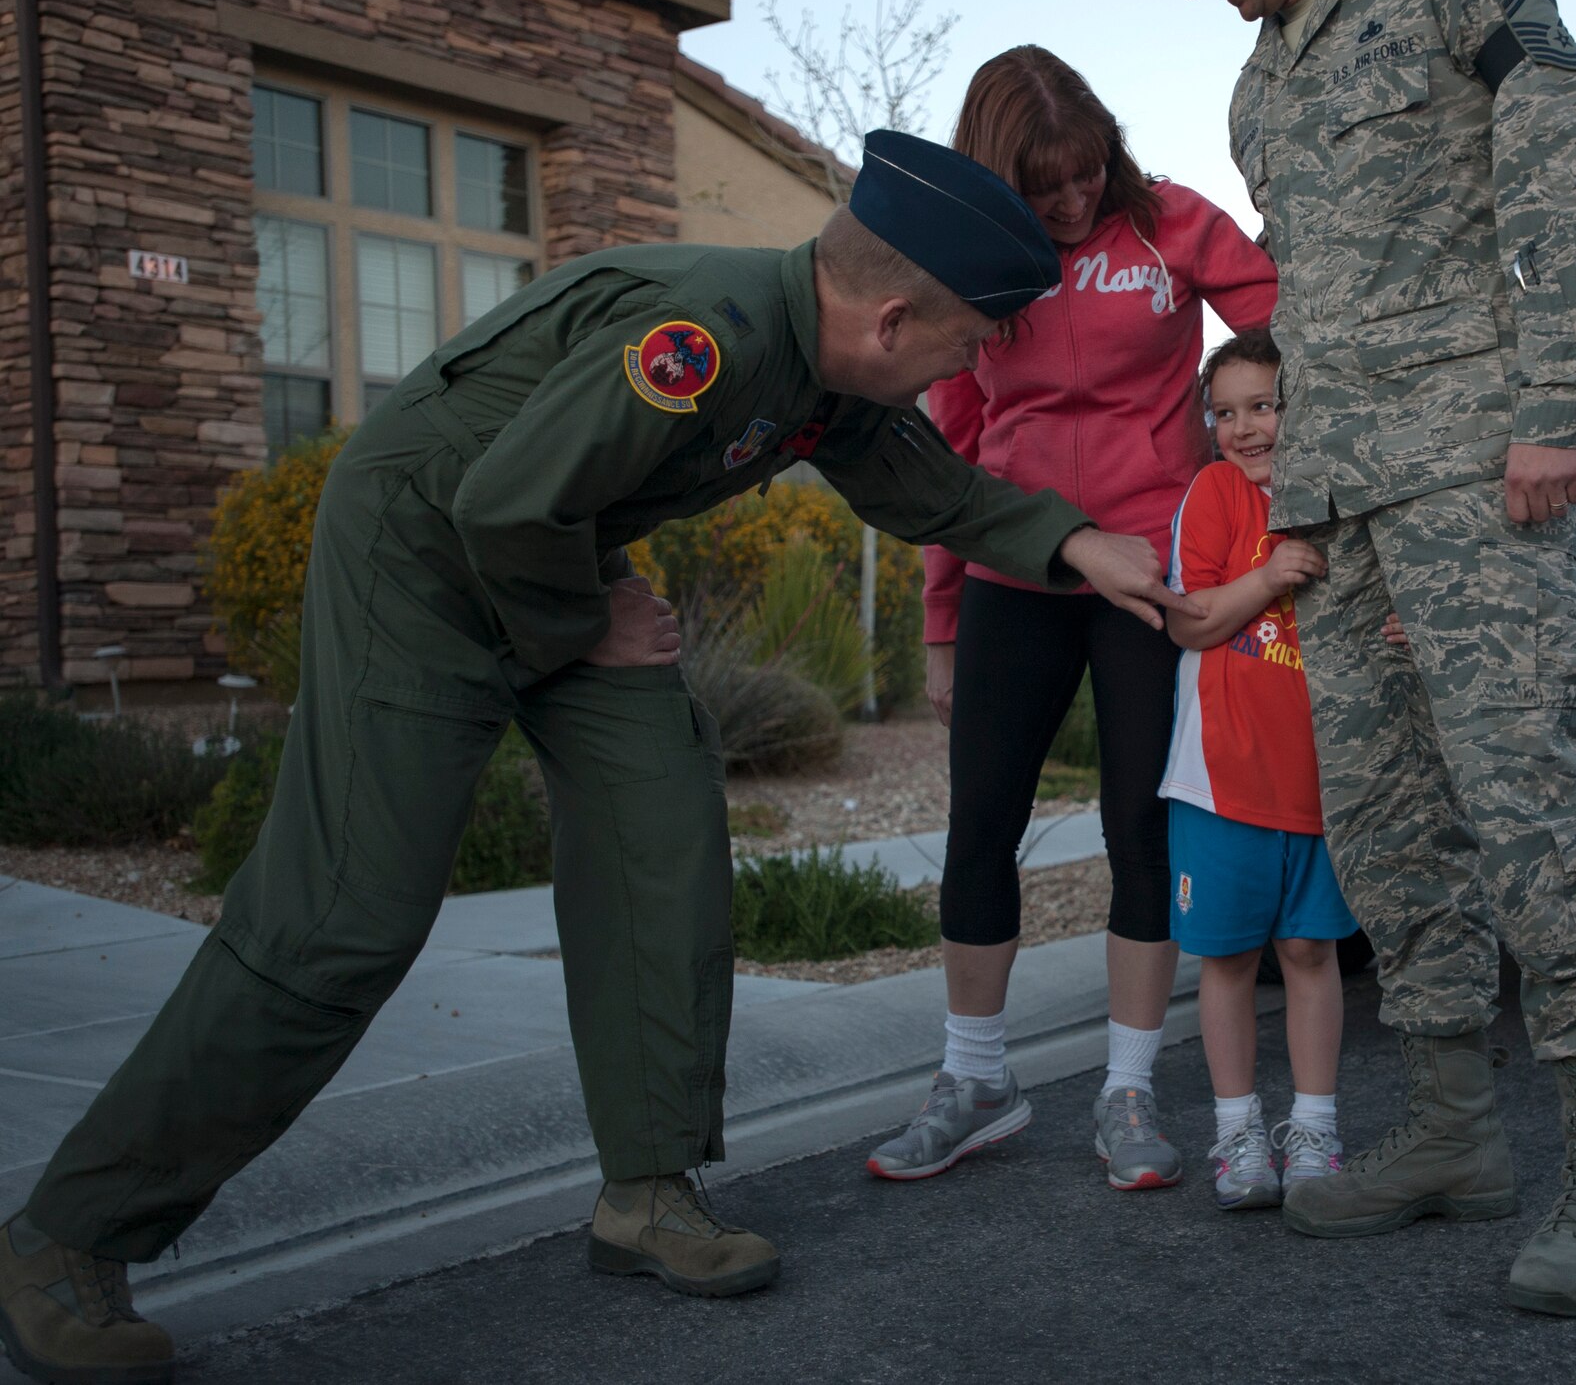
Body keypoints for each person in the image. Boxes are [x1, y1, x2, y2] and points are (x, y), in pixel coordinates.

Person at [0, 131, 1201, 1385]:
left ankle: (648, 1195)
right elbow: (500, 504)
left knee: (661, 840)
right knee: (347, 917)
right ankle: (69, 1235)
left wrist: (1078, 548)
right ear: (894, 320)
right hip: (425, 556)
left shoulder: (832, 367)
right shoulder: (709, 339)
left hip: (551, 553)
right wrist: (587, 620)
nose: (975, 365)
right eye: (968, 343)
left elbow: (923, 485)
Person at [1105, 0, 1576, 1317]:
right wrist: (1292, 512)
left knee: (1524, 801)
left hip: (1483, 472)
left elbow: (1572, 180)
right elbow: (1318, 322)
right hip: (1341, 505)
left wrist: (1553, 412)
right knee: (1385, 819)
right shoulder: (1257, 92)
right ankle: (1450, 1130)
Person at [865, 46, 1277, 1191]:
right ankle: (975, 1080)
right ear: (997, 177)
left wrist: (1268, 505)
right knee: (979, 823)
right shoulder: (978, 272)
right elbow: (950, 451)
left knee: (1141, 829)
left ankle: (1128, 1090)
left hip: (1152, 575)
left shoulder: (1170, 228)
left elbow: (1292, 336)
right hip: (1012, 576)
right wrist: (940, 622)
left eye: (1084, 169)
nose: (1069, 198)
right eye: (1042, 183)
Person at [1158, 330, 1358, 1212]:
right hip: (1220, 779)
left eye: (1263, 406)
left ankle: (1315, 1129)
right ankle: (1237, 1132)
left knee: (1312, 950)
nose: (1244, 428)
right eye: (1225, 412)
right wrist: (1273, 574)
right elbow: (1191, 619)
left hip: (1322, 779)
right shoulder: (1213, 494)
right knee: (1228, 959)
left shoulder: (1342, 496)